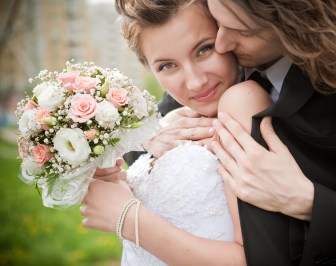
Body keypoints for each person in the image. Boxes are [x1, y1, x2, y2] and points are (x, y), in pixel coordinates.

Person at [205, 0, 336, 265]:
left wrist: (307, 199)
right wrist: (158, 136)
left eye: (244, 31)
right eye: (217, 22)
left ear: (296, 22)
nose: (221, 44)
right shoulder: (212, 71)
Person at [80, 0, 271, 265]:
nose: (195, 81)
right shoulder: (170, 115)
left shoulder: (242, 103)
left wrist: (126, 217)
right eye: (167, 66)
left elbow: (256, 257)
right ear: (149, 68)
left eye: (204, 49)